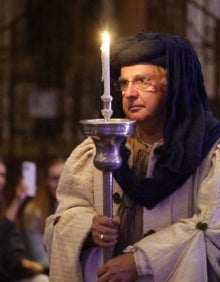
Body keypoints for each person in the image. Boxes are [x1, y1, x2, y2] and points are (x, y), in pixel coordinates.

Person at [43, 31, 220, 282]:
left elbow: (213, 231)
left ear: (174, 86)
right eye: (124, 83)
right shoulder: (97, 150)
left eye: (142, 81)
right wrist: (88, 227)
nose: (129, 93)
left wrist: (142, 261)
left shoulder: (210, 152)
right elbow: (62, 218)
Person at [0, 158, 49, 282]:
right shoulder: (34, 210)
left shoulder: (2, 204)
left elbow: (5, 232)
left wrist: (18, 199)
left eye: (2, 175)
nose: (1, 180)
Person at [22, 157, 65, 272]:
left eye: (64, 177)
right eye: (55, 178)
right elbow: (41, 258)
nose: (60, 183)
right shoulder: (34, 211)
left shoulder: (84, 206)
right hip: (46, 271)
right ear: (47, 181)